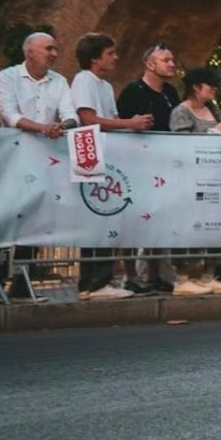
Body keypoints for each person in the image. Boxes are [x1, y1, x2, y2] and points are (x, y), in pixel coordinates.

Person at [0, 31, 73, 305]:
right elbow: (9, 114)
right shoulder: (8, 77)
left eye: (55, 48)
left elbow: (70, 112)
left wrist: (63, 126)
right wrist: (44, 128)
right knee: (8, 217)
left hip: (45, 157)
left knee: (34, 218)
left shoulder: (60, 80)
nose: (54, 53)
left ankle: (21, 283)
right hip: (13, 157)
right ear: (30, 52)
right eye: (48, 48)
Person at [69, 32, 150, 301]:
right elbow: (88, 118)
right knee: (96, 215)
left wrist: (130, 124)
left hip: (106, 150)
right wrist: (130, 123)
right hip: (88, 149)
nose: (116, 57)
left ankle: (100, 280)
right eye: (110, 53)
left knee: (108, 214)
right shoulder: (83, 80)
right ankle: (92, 282)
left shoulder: (104, 85)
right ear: (95, 59)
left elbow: (111, 118)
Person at [167, 68, 221, 295]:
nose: (214, 89)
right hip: (190, 179)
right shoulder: (181, 112)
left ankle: (209, 275)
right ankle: (183, 278)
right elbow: (181, 144)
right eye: (210, 85)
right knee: (189, 226)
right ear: (196, 87)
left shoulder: (213, 108)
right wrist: (215, 132)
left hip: (215, 178)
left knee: (216, 225)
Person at [116, 43, 181, 294]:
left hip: (165, 166)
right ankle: (130, 275)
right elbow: (118, 124)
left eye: (173, 59)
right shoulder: (133, 91)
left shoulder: (171, 93)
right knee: (132, 219)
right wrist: (132, 125)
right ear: (150, 64)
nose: (172, 64)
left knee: (159, 219)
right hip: (136, 165)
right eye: (166, 60)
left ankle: (155, 275)